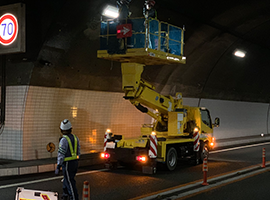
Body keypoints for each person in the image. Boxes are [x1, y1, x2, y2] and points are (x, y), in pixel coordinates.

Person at [55, 119, 80, 200]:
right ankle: (65, 194)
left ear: (62, 130)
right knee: (67, 179)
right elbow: (78, 151)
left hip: (67, 163)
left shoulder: (64, 140)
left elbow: (61, 153)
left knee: (70, 182)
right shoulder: (76, 138)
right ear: (70, 129)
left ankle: (74, 197)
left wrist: (58, 165)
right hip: (75, 162)